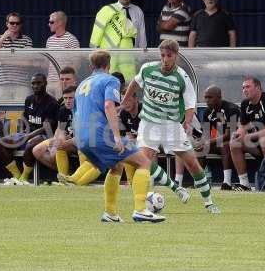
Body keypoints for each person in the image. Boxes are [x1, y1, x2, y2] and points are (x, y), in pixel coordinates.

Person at [123, 39, 220, 214]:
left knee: (192, 163)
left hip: (171, 125)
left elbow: (191, 105)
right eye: (162, 55)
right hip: (149, 123)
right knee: (143, 161)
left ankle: (209, 202)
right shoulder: (148, 69)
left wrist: (188, 122)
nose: (165, 59)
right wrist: (125, 99)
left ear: (176, 56)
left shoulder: (182, 77)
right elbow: (135, 83)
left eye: (169, 56)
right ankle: (176, 188)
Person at [72, 50, 165, 223]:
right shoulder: (110, 80)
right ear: (108, 65)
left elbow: (76, 114)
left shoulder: (82, 84)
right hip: (101, 135)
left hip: (83, 137)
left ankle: (111, 213)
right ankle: (140, 209)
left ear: (91, 65)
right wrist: (116, 136)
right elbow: (109, 105)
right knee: (144, 162)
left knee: (116, 165)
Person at [0, 73, 59, 186]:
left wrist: (28, 137)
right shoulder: (29, 99)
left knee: (31, 144)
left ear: (45, 84)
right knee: (0, 143)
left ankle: (24, 178)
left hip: (46, 135)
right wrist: (22, 132)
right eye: (33, 83)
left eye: (39, 83)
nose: (35, 86)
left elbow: (46, 127)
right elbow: (24, 118)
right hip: (28, 133)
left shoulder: (52, 102)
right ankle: (16, 176)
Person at [178, 85, 240, 190]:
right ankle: (200, 182)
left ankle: (227, 183)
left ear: (219, 97)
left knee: (224, 145)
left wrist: (207, 142)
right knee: (201, 148)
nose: (207, 100)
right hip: (221, 141)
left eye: (210, 97)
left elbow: (229, 135)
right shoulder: (208, 112)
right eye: (206, 97)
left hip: (238, 141)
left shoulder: (231, 109)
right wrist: (200, 141)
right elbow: (206, 135)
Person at [230, 76, 265, 191]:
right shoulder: (245, 104)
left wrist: (249, 136)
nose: (244, 90)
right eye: (243, 88)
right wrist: (238, 134)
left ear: (258, 88)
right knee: (234, 143)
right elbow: (242, 126)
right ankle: (244, 184)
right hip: (257, 141)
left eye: (248, 87)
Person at [32, 86, 77, 175]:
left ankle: (69, 176)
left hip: (79, 141)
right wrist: (58, 139)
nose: (67, 101)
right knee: (37, 150)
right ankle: (66, 173)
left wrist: (61, 143)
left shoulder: (82, 110)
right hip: (65, 140)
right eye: (65, 98)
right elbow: (60, 129)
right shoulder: (63, 110)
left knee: (59, 147)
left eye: (71, 98)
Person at [0, 12, 33, 101]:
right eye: (11, 23)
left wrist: (5, 60)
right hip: (4, 84)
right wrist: (3, 39)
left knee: (20, 112)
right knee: (3, 112)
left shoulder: (26, 40)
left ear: (20, 25)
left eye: (17, 23)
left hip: (22, 84)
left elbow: (28, 62)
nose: (14, 25)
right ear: (7, 24)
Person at [46, 11, 80, 99]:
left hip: (62, 82)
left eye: (51, 22)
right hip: (49, 83)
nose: (49, 24)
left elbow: (76, 63)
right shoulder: (50, 40)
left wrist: (67, 81)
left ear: (60, 22)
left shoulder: (71, 39)